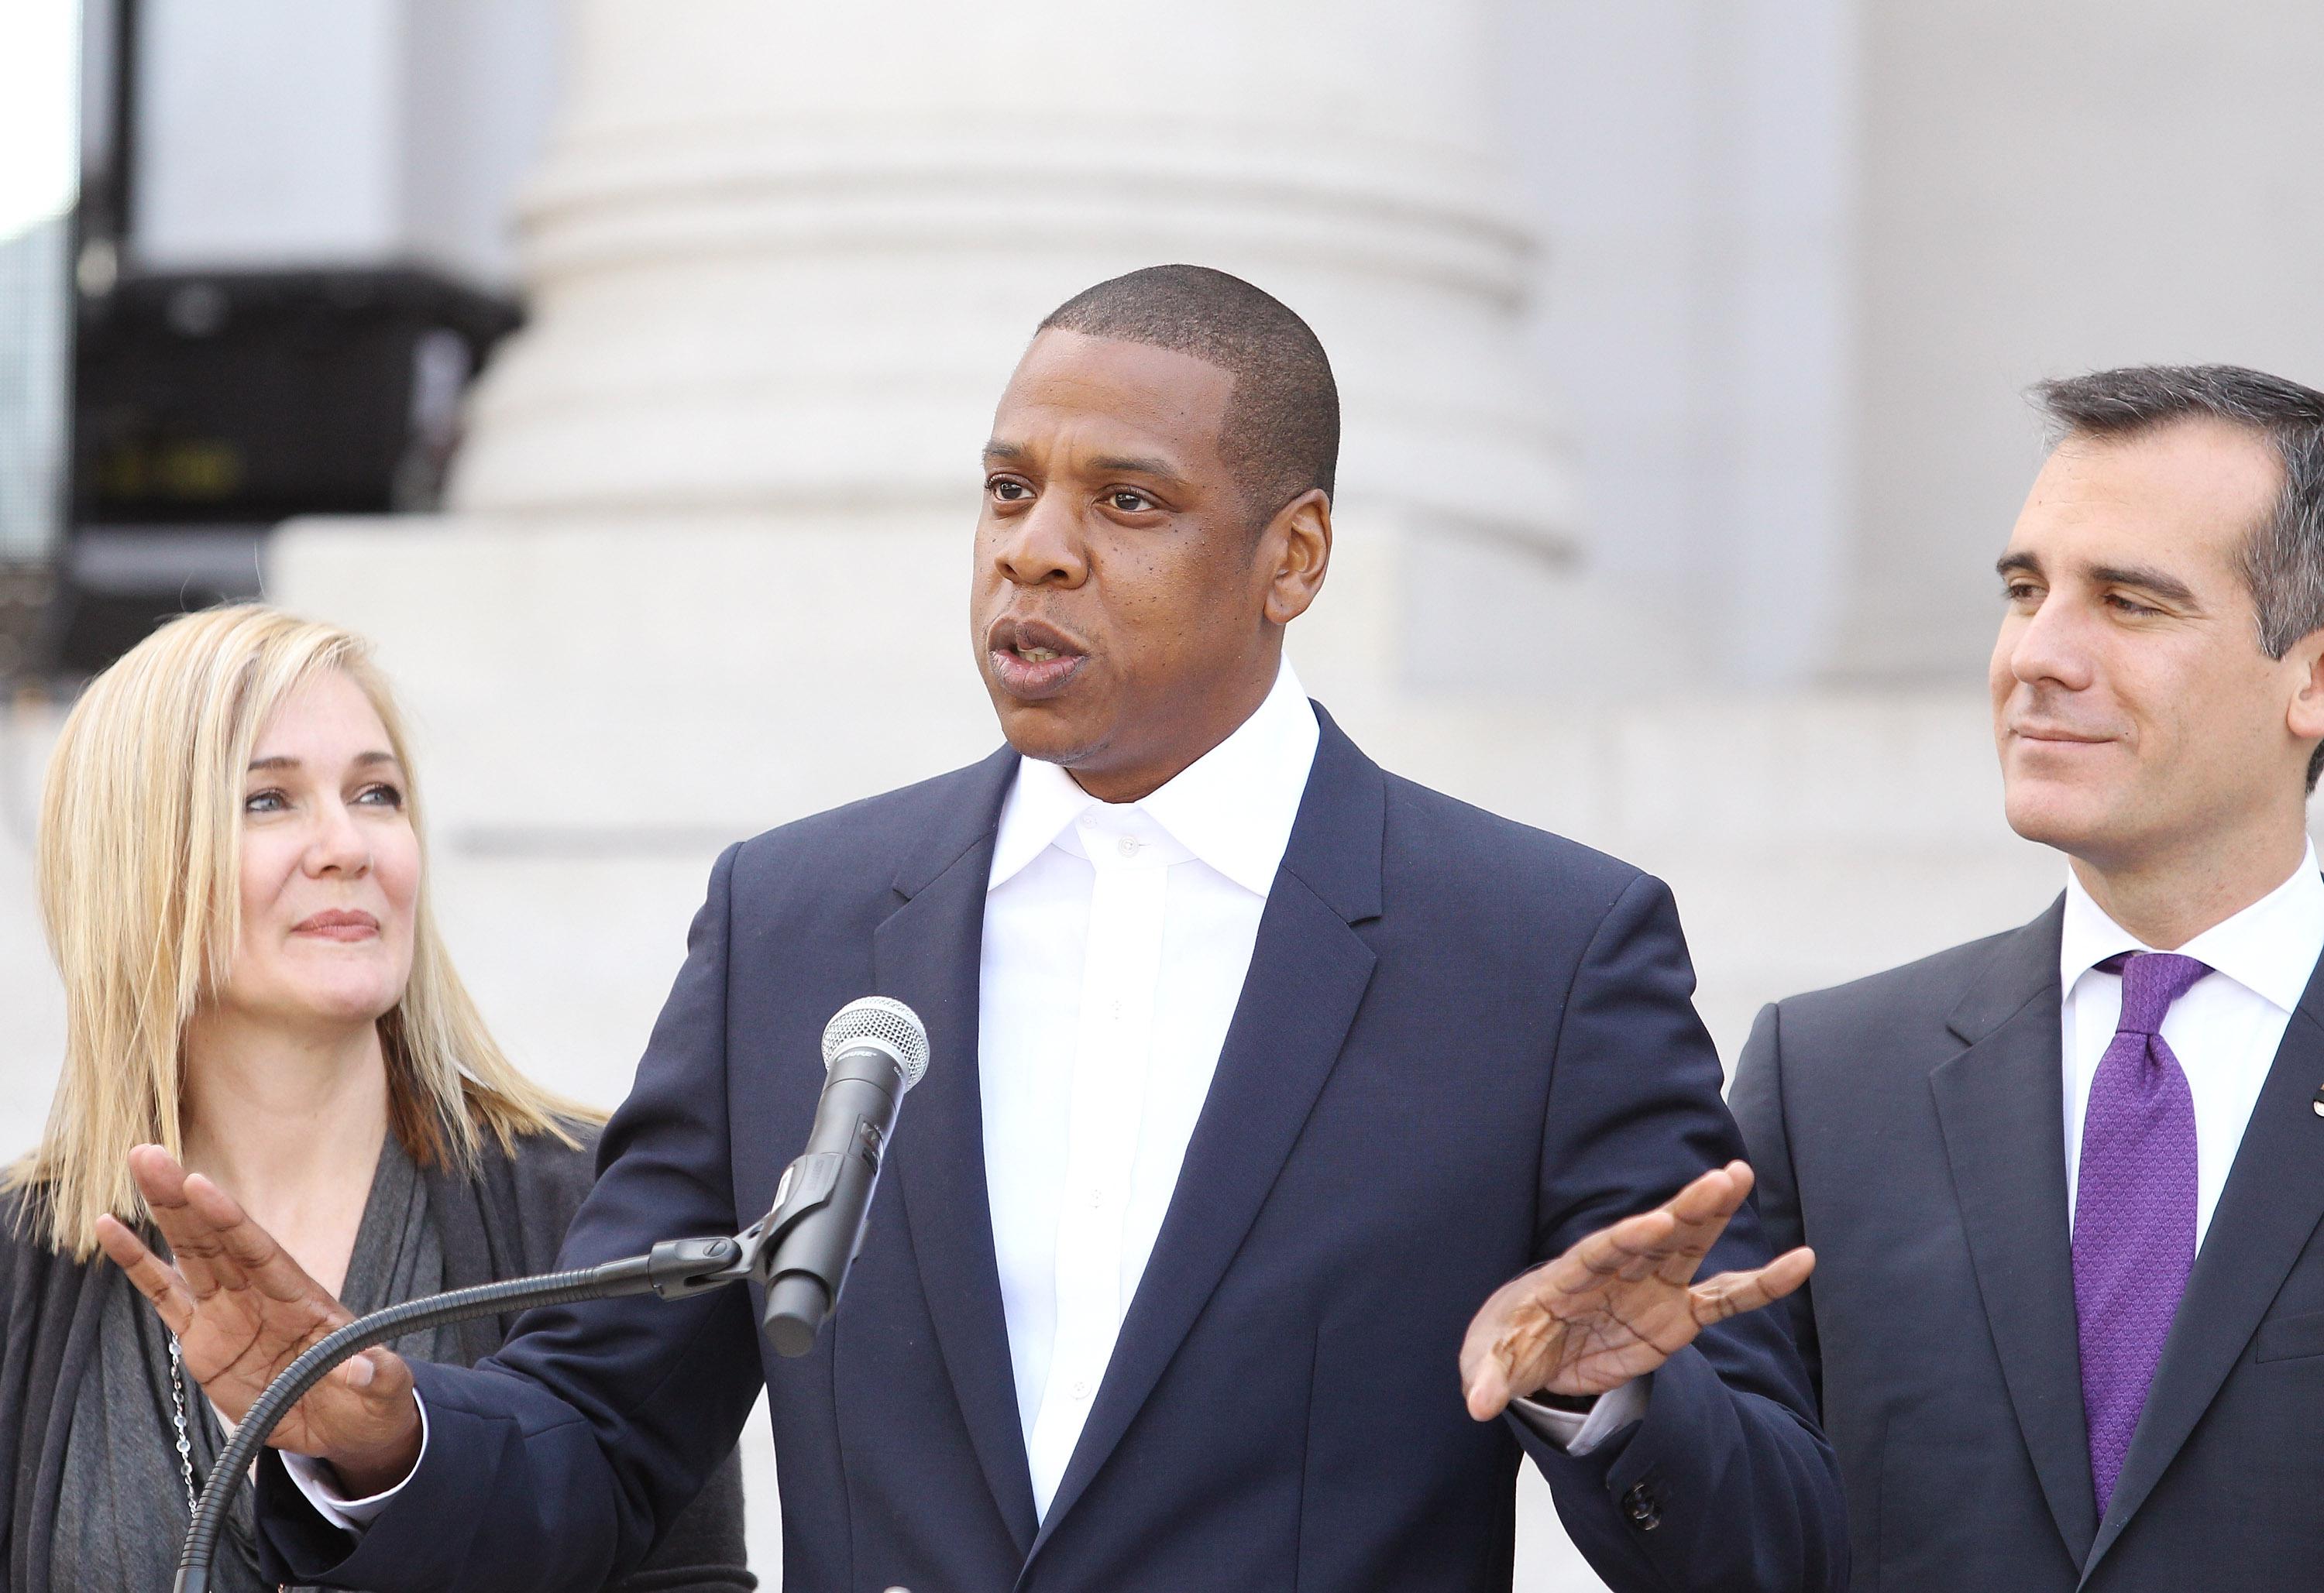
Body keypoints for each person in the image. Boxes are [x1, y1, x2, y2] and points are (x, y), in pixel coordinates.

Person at [112, 267, 1844, 1592]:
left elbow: (1776, 1532)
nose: (1038, 552)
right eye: (1009, 488)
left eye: (1129, 501)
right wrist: (381, 1425)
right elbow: (606, 1429)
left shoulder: (1541, 954)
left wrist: (1618, 1404)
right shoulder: (796, 919)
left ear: (1292, 554)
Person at [0, 605, 751, 1592]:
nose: (347, 844)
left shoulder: (603, 1206)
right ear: (135, 863)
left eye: (377, 792)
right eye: (269, 800)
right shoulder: (22, 1261)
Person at [1730, 365, 2324, 1591]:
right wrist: (1613, 1397)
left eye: (2130, 604)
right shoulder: (1827, 1079)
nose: (2036, 657)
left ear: (2309, 681)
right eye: (2024, 591)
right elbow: (1744, 1549)